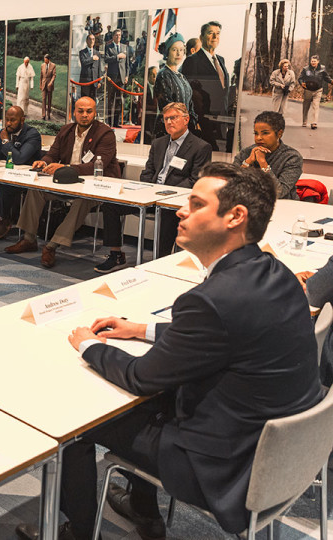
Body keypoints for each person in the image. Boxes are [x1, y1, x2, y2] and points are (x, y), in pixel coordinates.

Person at [18, 163, 324, 540]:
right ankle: (144, 510)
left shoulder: (211, 301)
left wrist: (89, 345)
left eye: (196, 204)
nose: (181, 210)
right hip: (279, 454)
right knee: (158, 402)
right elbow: (220, 336)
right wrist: (141, 328)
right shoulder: (275, 272)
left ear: (235, 217)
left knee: (75, 423)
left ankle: (76, 532)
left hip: (222, 466)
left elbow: (142, 377)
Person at [94, 102, 212, 272]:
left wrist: (165, 193)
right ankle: (116, 254)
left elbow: (195, 181)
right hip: (149, 194)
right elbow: (147, 171)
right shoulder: (158, 143)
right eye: (166, 119)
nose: (170, 122)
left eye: (174, 118)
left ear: (186, 120)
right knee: (111, 205)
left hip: (173, 200)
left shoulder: (200, 147)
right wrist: (149, 189)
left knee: (167, 214)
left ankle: (160, 262)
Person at [6, 96, 118, 268]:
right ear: (74, 112)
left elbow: (94, 165)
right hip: (66, 183)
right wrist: (45, 162)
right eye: (80, 111)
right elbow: (53, 154)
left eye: (89, 111)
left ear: (95, 113)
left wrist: (65, 167)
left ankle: (52, 246)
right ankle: (29, 239)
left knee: (83, 199)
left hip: (95, 186)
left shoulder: (105, 134)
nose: (85, 115)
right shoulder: (66, 130)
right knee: (36, 189)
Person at [0, 106, 42, 239]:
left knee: (5, 186)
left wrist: (5, 141)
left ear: (22, 120)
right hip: (7, 174)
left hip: (27, 177)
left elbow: (19, 159)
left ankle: (6, 219)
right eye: (7, 120)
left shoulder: (32, 134)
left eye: (13, 120)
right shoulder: (4, 132)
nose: (8, 123)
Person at [232, 111, 301, 200]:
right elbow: (231, 184)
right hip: (250, 203)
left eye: (265, 133)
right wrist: (247, 162)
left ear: (279, 134)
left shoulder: (292, 157)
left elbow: (279, 193)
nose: (258, 138)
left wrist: (263, 163)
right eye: (256, 133)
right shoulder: (246, 152)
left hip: (283, 206)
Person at [181, 22, 228, 149]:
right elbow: (188, 93)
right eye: (210, 33)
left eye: (217, 34)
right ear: (201, 37)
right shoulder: (192, 61)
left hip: (221, 118)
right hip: (202, 120)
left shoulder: (221, 60)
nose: (215, 37)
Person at [152, 33, 198, 139]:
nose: (178, 53)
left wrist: (192, 121)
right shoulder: (163, 74)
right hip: (168, 130)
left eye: (181, 50)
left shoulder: (182, 76)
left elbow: (190, 104)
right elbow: (168, 106)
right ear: (168, 52)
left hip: (184, 129)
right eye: (174, 50)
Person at [104, 30, 132, 127]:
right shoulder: (108, 46)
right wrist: (117, 57)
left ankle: (117, 122)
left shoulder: (125, 47)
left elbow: (127, 64)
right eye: (116, 35)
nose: (118, 36)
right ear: (113, 37)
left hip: (122, 77)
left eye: (120, 35)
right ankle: (110, 122)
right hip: (112, 78)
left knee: (119, 101)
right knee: (111, 100)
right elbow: (106, 59)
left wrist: (127, 76)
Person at [298, 55, 332, 129]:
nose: (313, 62)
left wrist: (331, 81)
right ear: (310, 61)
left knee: (316, 106)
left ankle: (314, 123)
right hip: (308, 90)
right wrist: (301, 83)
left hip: (318, 90)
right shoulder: (306, 69)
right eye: (312, 61)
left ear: (318, 61)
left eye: (314, 61)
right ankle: (304, 121)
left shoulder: (322, 69)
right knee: (306, 106)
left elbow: (326, 77)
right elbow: (300, 78)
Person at [78, 35, 101, 99]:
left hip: (94, 81)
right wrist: (92, 58)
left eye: (93, 39)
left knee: (93, 101)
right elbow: (83, 62)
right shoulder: (82, 52)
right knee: (85, 100)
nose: (92, 41)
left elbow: (99, 67)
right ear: (87, 41)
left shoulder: (97, 53)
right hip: (85, 81)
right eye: (90, 39)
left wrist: (99, 81)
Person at [40, 54, 56, 121]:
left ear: (48, 59)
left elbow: (54, 75)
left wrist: (51, 82)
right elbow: (41, 75)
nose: (44, 61)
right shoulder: (42, 65)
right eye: (44, 59)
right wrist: (40, 84)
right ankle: (43, 115)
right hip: (44, 84)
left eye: (45, 59)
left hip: (50, 84)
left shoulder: (53, 65)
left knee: (49, 100)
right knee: (43, 99)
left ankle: (48, 114)